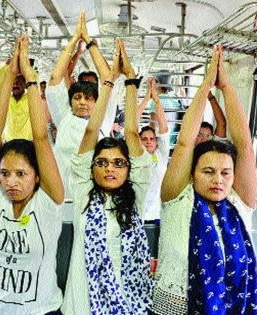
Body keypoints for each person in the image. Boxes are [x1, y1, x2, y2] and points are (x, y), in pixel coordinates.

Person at [151, 46, 257, 314]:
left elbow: (244, 145)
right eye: (208, 172)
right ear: (191, 174)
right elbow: (185, 142)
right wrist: (207, 84)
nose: (218, 180)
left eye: (225, 173)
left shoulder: (239, 203)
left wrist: (227, 86)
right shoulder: (178, 199)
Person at [0, 36, 64, 315]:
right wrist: (9, 75)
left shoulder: (49, 203)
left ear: (37, 177)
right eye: (5, 174)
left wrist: (31, 77)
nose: (11, 181)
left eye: (21, 174)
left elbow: (41, 137)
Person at [62, 39, 154, 315]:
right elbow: (91, 133)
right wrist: (109, 83)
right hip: (82, 305)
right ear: (92, 168)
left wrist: (131, 81)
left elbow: (131, 135)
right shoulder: (83, 194)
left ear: (128, 170)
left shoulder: (135, 196)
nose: (109, 169)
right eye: (101, 162)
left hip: (127, 304)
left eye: (118, 163)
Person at [45, 12, 118, 201]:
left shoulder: (103, 119)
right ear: (70, 101)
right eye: (77, 97)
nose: (82, 102)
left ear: (96, 102)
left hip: (96, 200)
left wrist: (90, 42)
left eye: (88, 98)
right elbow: (54, 79)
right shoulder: (64, 117)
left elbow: (108, 78)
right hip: (63, 200)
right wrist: (74, 41)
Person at [137, 78, 170, 223]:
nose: (149, 142)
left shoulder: (160, 154)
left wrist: (156, 101)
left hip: (157, 214)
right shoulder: (136, 154)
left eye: (152, 139)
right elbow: (132, 125)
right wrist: (146, 98)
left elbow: (163, 127)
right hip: (138, 214)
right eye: (144, 139)